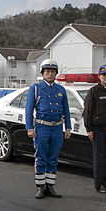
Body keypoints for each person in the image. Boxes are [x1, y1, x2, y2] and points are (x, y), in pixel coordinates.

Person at [25, 59, 71, 199]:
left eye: (52, 72)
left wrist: (67, 127)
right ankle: (40, 187)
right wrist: (29, 128)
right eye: (47, 72)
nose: (50, 74)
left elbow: (66, 110)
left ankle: (50, 186)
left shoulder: (61, 89)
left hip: (57, 128)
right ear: (42, 73)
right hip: (42, 127)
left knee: (53, 159)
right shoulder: (36, 88)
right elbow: (28, 110)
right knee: (41, 158)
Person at [83, 64, 106, 194]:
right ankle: (99, 185)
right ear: (99, 76)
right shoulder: (94, 91)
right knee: (99, 158)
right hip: (98, 129)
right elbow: (87, 111)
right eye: (104, 75)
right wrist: (89, 129)